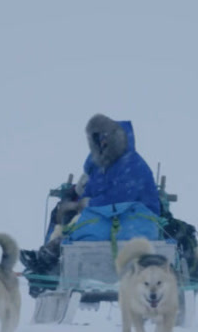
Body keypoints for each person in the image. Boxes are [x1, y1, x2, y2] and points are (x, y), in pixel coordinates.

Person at [20, 115, 161, 293]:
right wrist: (77, 201)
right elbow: (91, 191)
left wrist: (88, 203)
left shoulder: (132, 164)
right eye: (99, 138)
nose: (102, 142)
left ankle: (47, 266)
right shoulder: (102, 166)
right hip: (111, 219)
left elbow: (120, 197)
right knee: (71, 221)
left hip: (132, 219)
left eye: (106, 137)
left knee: (87, 228)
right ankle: (45, 264)